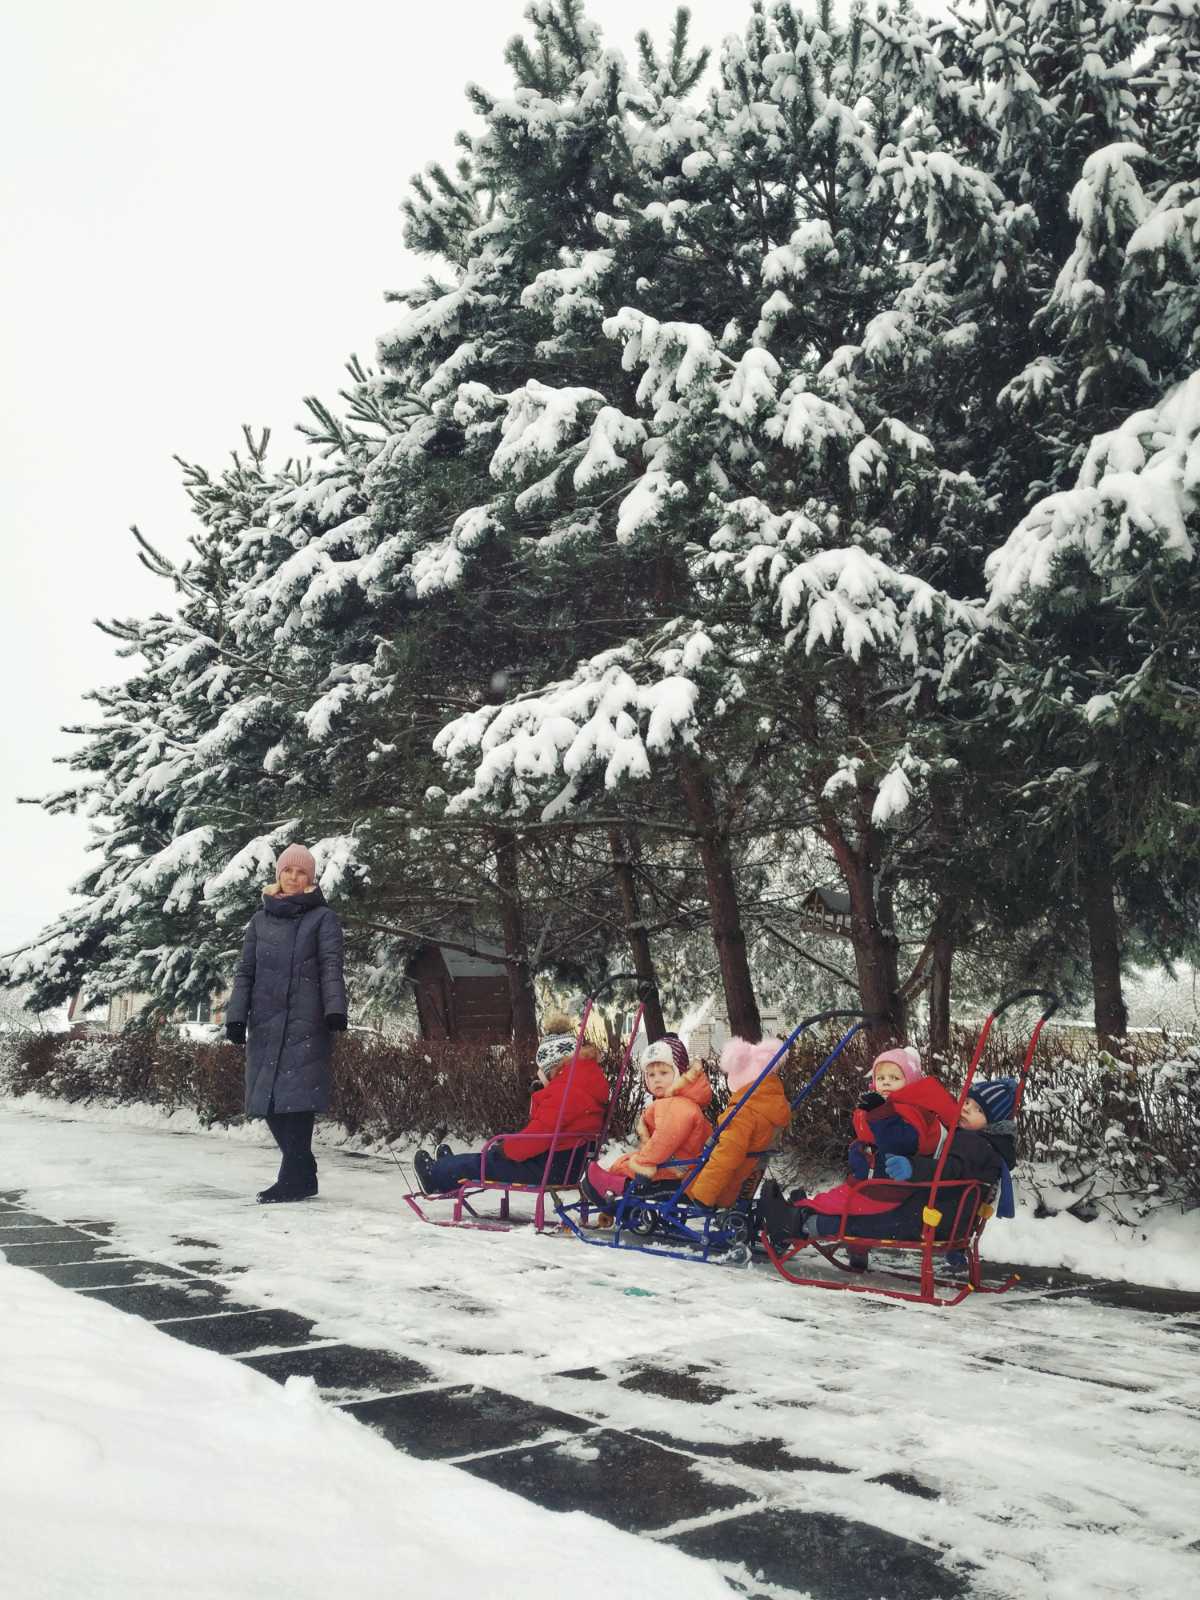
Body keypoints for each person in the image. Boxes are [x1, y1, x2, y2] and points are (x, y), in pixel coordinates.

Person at [225, 843, 347, 1204]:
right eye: (288, 872)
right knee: (267, 1102)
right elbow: (245, 971)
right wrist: (236, 1016)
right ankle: (302, 1172)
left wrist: (335, 1009)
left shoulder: (322, 918)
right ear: (278, 875)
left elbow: (330, 965)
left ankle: (293, 1178)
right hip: (264, 1021)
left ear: (310, 878)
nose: (294, 878)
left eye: (301, 873)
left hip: (306, 1020)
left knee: (296, 1101)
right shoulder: (260, 919)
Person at [413, 1014, 610, 1195]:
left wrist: (507, 1149)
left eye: (544, 1072)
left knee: (490, 1161)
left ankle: (436, 1176)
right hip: (565, 1165)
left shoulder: (566, 1090)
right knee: (489, 1159)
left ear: (554, 1067)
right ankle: (448, 1166)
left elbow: (538, 1135)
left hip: (548, 1169)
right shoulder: (585, 1083)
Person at [579, 1035, 711, 1209]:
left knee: (625, 1167)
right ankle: (614, 1191)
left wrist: (643, 1163)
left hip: (676, 1174)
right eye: (651, 1074)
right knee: (625, 1162)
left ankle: (613, 1195)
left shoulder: (676, 1105)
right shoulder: (675, 1101)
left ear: (679, 1073)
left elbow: (664, 1140)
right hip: (678, 1167)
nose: (656, 1079)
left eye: (664, 1073)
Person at [685, 1036, 793, 1211]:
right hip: (746, 1180)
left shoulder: (742, 1113)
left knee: (681, 1172)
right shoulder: (771, 1105)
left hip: (725, 1189)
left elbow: (726, 1155)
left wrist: (703, 1195)